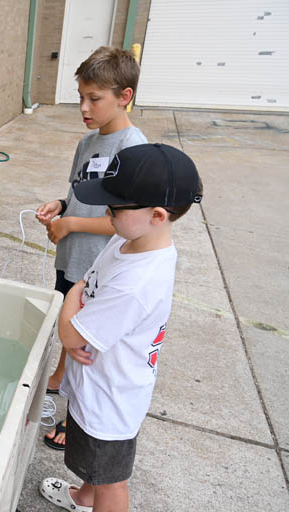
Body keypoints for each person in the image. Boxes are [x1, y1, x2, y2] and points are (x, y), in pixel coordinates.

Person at [39, 143, 203, 512]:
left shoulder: (138, 282)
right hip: (99, 381)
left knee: (111, 481)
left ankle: (94, 500)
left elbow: (69, 333)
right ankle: (83, 498)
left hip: (111, 400)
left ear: (158, 215)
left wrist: (72, 297)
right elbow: (88, 288)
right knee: (95, 470)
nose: (106, 212)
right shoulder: (129, 237)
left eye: (114, 208)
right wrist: (81, 297)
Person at [36, 46, 147, 450]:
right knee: (69, 332)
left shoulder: (133, 148)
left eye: (94, 99)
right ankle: (59, 378)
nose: (83, 106)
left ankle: (74, 419)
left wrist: (71, 224)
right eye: (81, 96)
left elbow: (125, 223)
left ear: (125, 96)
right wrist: (60, 207)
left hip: (97, 268)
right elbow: (77, 193)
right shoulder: (88, 141)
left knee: (86, 345)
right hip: (71, 257)